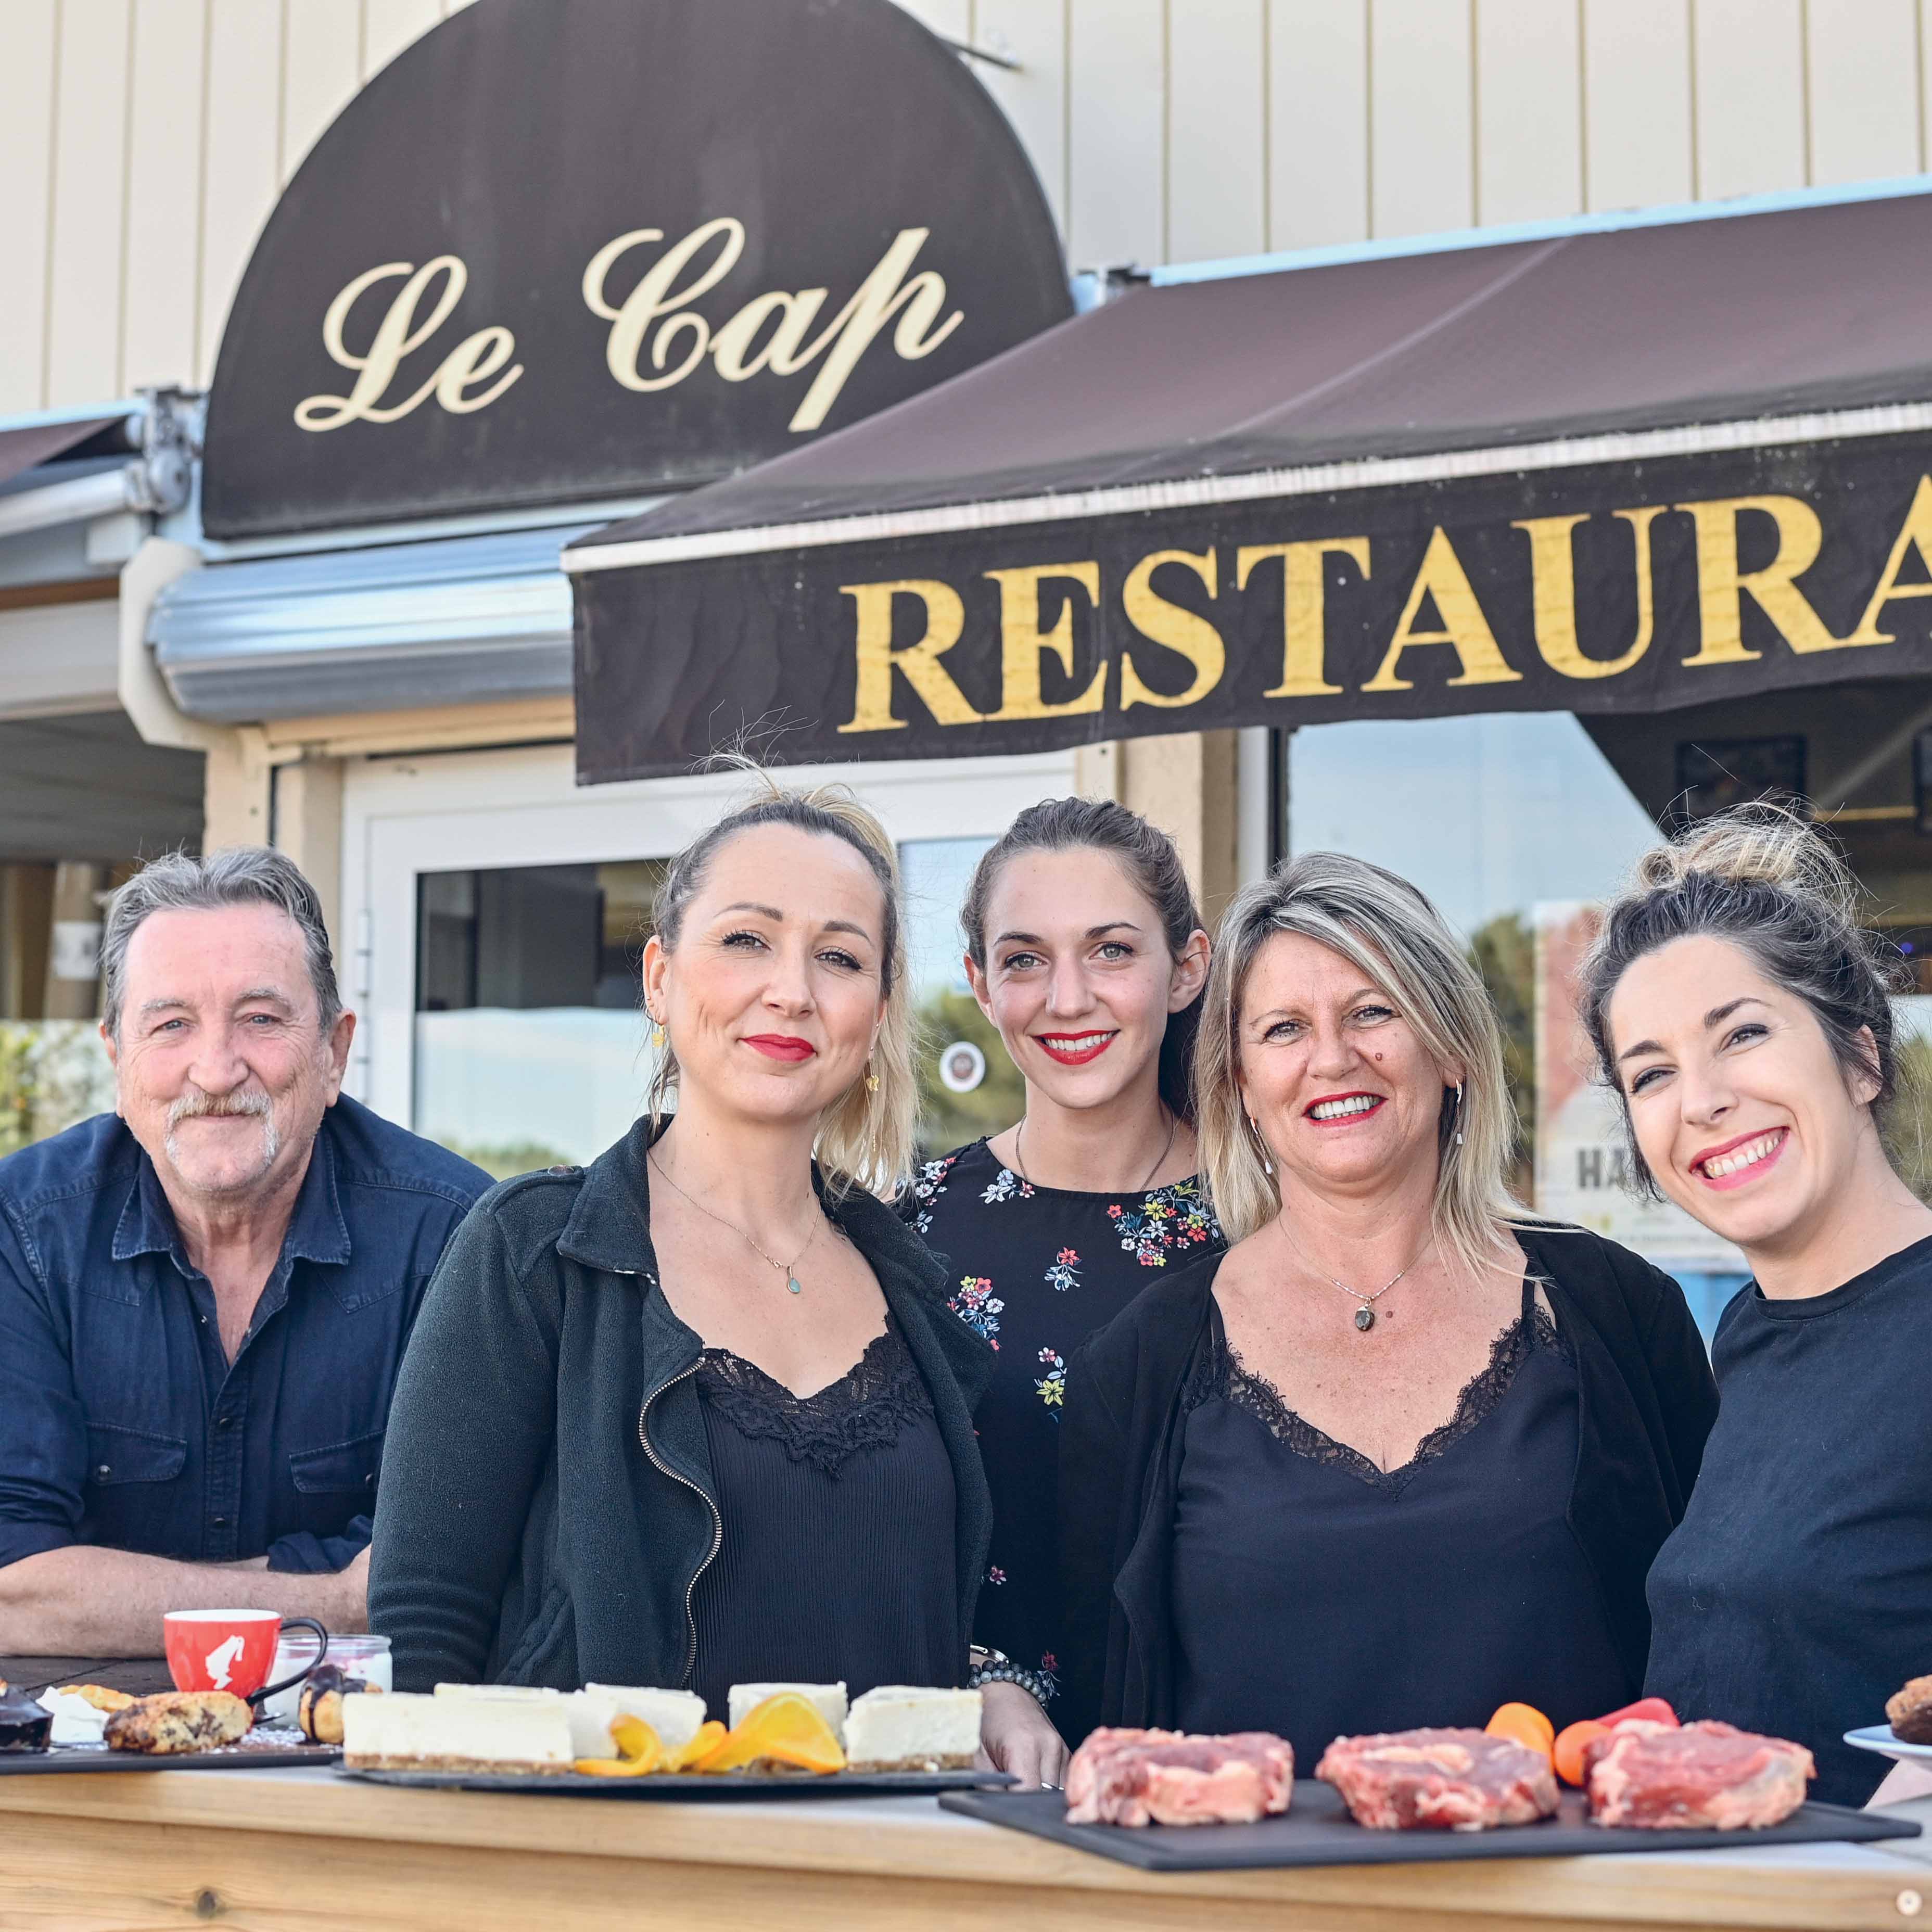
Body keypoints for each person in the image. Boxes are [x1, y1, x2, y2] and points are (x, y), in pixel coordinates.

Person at [369, 778, 1065, 1783]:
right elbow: (423, 1640)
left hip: (895, 1883)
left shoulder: (920, 1296)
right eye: (747, 940)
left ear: (872, 1016)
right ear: (660, 978)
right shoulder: (535, 1255)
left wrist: (994, 1684)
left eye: (839, 957)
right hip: (614, 1885)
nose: (792, 989)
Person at [1058, 851, 1718, 1763]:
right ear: (1240, 1086)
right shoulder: (1142, 1360)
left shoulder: (1618, 1311)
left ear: (1449, 1049)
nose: (1333, 1059)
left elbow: (1716, 1636)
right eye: (1284, 1029)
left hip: (1565, 1894)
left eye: (1374, 1012)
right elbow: (1090, 1698)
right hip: (1251, 1899)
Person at [0, 848, 488, 1657]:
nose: (217, 1069)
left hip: (355, 1750)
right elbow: (12, 1588)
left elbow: (445, 1577)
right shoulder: (22, 1229)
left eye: (261, 1019)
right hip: (80, 1758)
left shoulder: (455, 1238)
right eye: (171, 1025)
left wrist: (106, 1596)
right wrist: (332, 1598)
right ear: (118, 1061)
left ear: (334, 1052)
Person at [1580, 806, 1932, 1807]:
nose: (1701, 1100)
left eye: (1741, 1034)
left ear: (1861, 1059)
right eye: (1651, 1074)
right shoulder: (1745, 1338)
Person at [906, 798, 1218, 1749]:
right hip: (983, 1792)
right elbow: (860, 1524)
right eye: (1025, 959)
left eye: (1113, 951)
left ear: (1187, 969)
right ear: (979, 983)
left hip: (1244, 1783)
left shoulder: (1285, 1221)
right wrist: (976, 1680)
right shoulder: (901, 1234)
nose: (1068, 997)